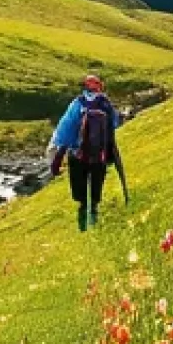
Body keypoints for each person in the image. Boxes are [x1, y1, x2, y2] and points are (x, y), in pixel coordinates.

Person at [49, 74, 122, 232]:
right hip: (99, 156)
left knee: (79, 186)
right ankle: (94, 208)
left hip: (78, 154)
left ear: (84, 87)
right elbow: (114, 124)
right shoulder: (106, 104)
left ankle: (83, 209)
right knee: (96, 183)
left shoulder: (77, 104)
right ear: (100, 87)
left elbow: (65, 129)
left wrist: (59, 155)